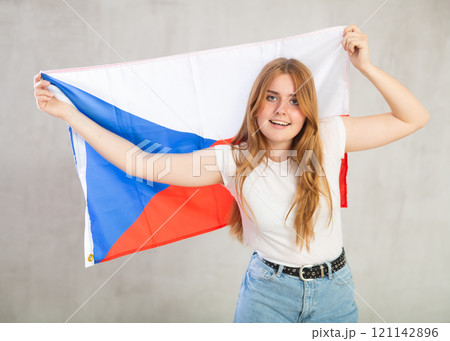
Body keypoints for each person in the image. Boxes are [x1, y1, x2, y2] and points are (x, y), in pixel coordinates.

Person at [34, 25, 430, 323]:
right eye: (271, 97)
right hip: (267, 296)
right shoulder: (231, 160)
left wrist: (365, 66)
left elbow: (413, 118)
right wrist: (69, 113)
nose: (281, 110)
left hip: (335, 292)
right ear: (256, 105)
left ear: (307, 110)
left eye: (294, 101)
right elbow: (143, 163)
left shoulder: (329, 136)